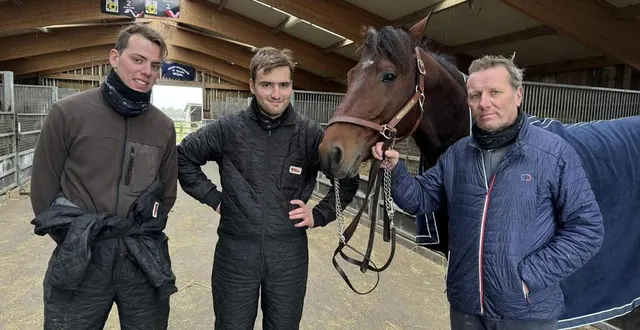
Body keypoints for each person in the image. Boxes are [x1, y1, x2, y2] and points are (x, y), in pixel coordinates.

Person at [372, 54, 604, 330]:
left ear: (518, 95)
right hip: (467, 307)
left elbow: (587, 229)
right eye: (475, 95)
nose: (484, 103)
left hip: (526, 312)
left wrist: (527, 278)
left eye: (495, 92)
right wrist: (395, 168)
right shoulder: (458, 154)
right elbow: (419, 198)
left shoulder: (553, 154)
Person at [176, 46, 359, 329]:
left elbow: (346, 178)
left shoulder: (309, 134)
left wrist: (319, 215)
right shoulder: (228, 129)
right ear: (252, 85)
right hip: (235, 252)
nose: (276, 94)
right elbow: (183, 157)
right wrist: (215, 198)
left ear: (291, 85)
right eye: (267, 85)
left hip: (288, 255)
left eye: (283, 85)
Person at [30, 23, 178, 329]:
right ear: (114, 57)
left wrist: (136, 229)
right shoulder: (68, 113)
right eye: (137, 60)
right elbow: (43, 194)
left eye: (154, 65)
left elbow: (166, 195)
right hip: (81, 257)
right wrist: (80, 236)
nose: (146, 71)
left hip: (140, 257)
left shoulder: (162, 127)